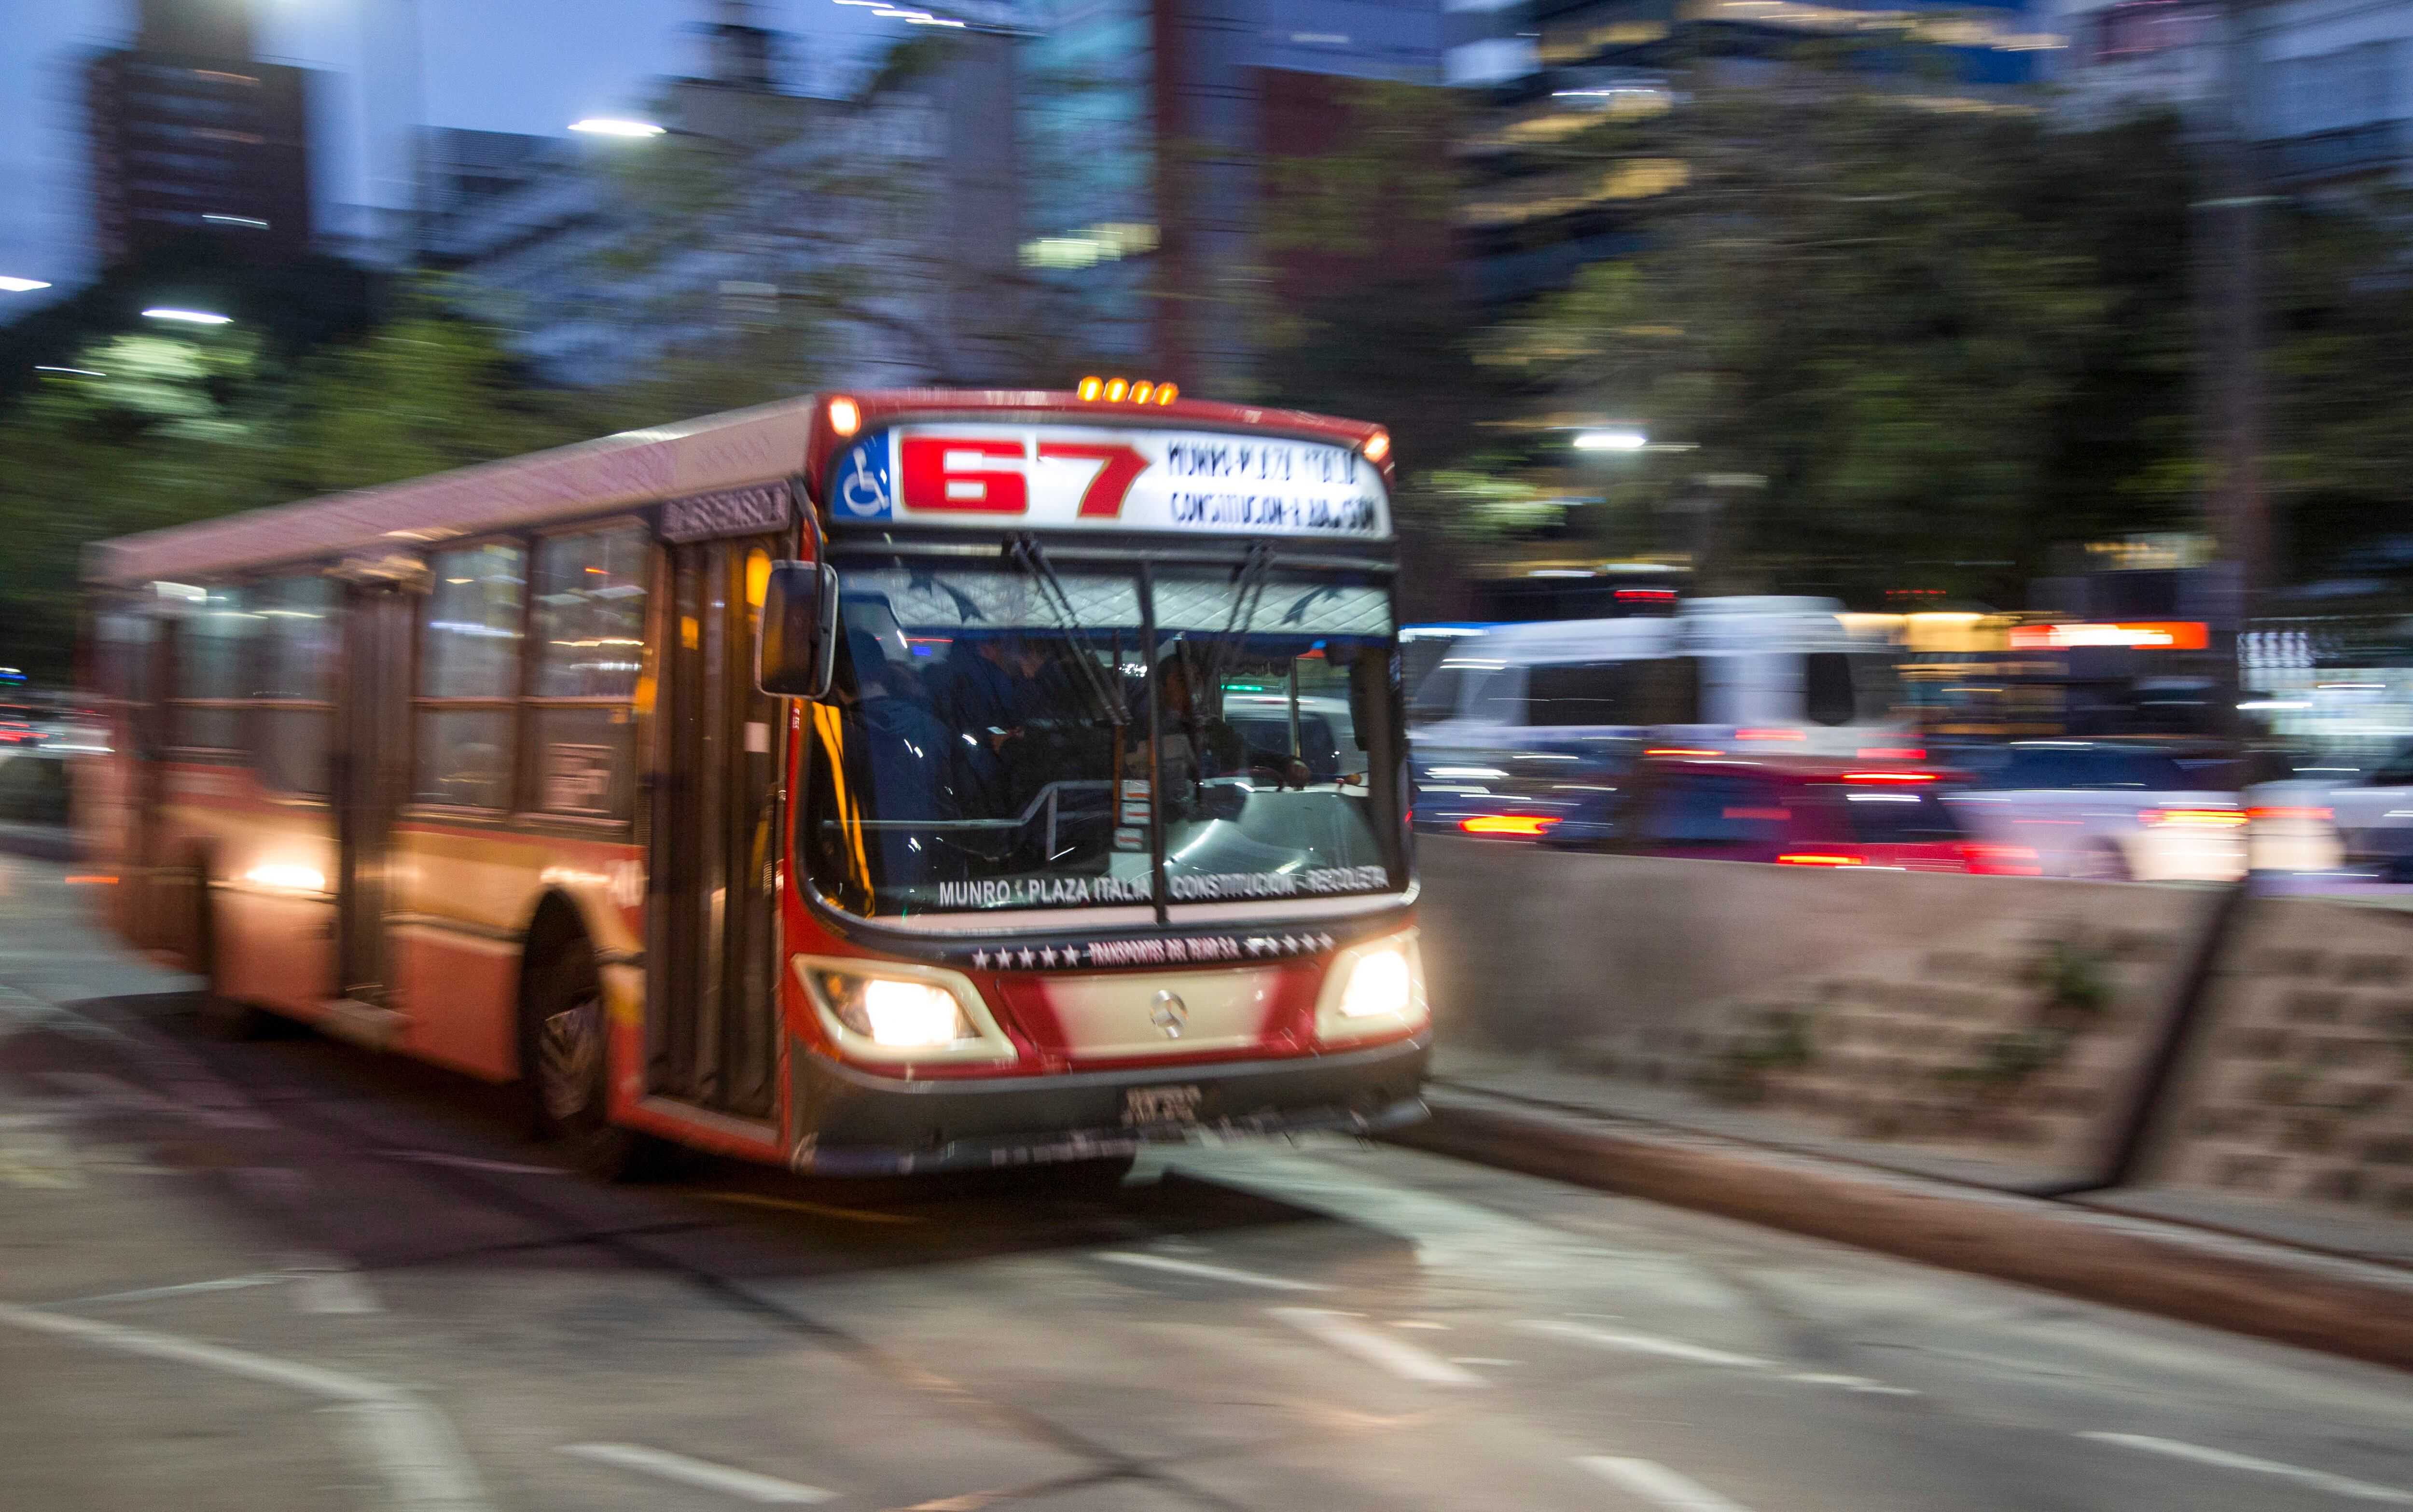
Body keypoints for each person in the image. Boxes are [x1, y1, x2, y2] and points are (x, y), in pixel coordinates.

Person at [833, 630, 968, 890]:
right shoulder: (932, 728)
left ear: (834, 684)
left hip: (866, 874)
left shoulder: (837, 735)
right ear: (883, 672)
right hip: (935, 870)